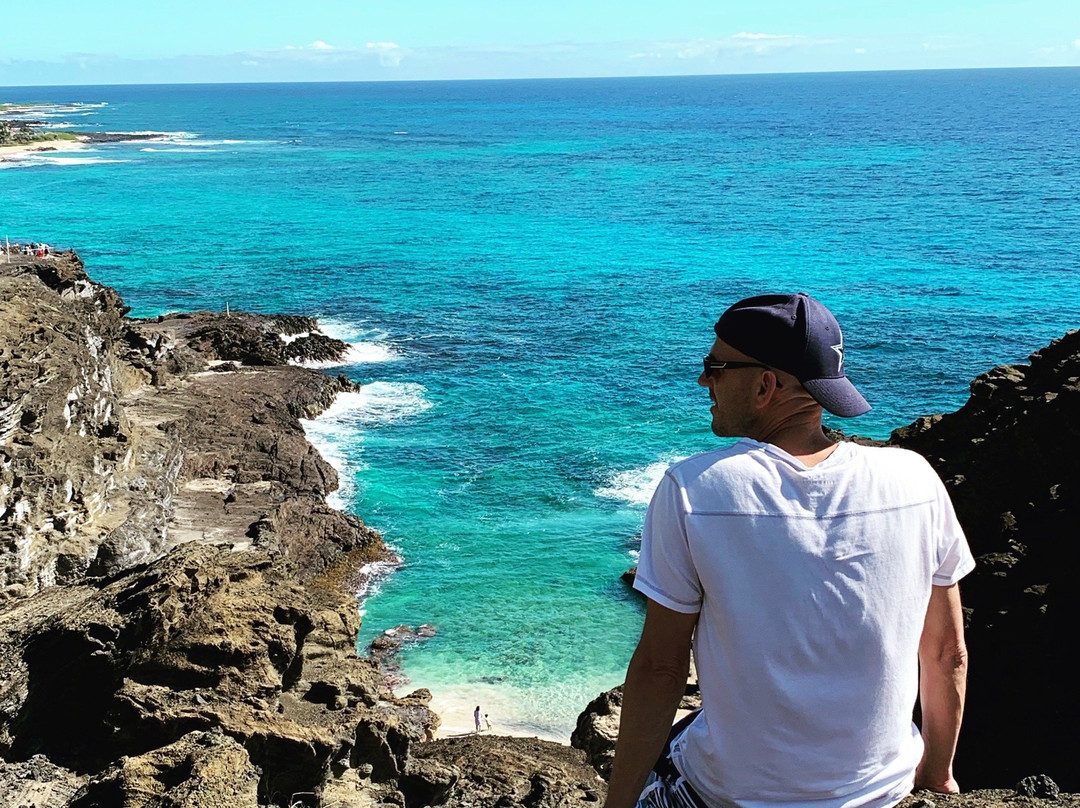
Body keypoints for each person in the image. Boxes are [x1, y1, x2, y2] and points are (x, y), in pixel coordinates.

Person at [605, 293, 973, 808]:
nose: (703, 381)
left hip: (732, 796)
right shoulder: (916, 478)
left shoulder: (694, 488)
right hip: (880, 791)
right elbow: (946, 652)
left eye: (714, 367)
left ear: (764, 386)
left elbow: (660, 671)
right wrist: (937, 775)